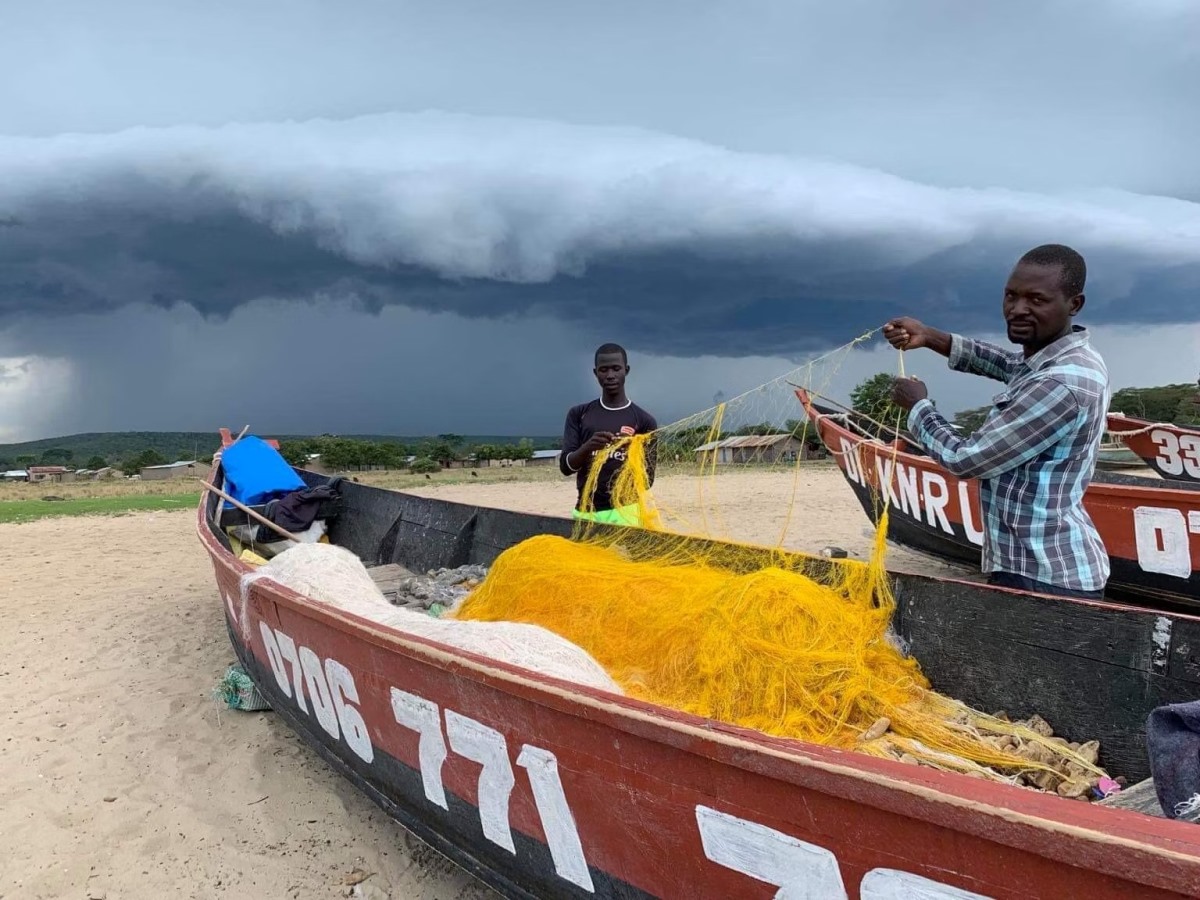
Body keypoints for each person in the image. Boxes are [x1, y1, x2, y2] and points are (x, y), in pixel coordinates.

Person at [883, 243, 1110, 599]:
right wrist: (929, 336)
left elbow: (966, 459)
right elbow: (1008, 365)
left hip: (1044, 576)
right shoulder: (1058, 358)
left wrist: (918, 407)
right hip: (1034, 568)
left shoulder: (1061, 382)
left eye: (1037, 300)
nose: (1018, 310)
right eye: (1010, 296)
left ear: (1074, 304)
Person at [559, 343, 658, 526]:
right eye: (604, 370)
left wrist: (632, 450)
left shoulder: (645, 421)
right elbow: (566, 467)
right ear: (595, 373)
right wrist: (588, 446)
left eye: (616, 369)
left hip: (628, 513)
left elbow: (647, 481)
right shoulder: (578, 414)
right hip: (587, 514)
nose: (610, 375)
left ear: (626, 370)